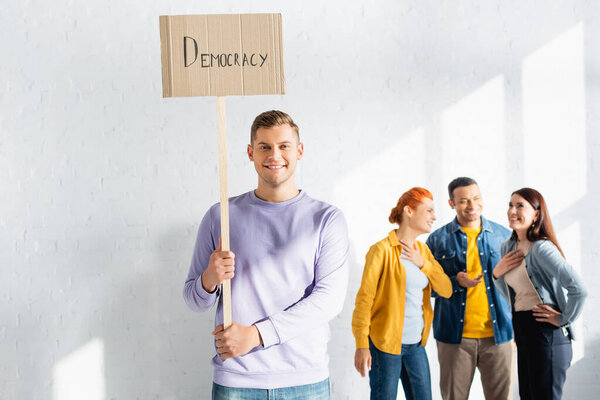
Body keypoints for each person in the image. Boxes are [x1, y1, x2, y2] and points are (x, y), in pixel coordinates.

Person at [183, 110, 350, 399]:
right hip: (237, 380)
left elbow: (328, 300)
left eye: (284, 146)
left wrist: (256, 335)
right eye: (264, 147)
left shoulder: (326, 219)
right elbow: (194, 300)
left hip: (305, 381)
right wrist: (209, 278)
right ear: (251, 153)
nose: (275, 155)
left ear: (299, 151)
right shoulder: (220, 215)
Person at [352, 187, 452, 400]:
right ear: (409, 211)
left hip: (416, 345)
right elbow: (364, 300)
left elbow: (446, 289)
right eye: (429, 210)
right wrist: (361, 344)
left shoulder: (423, 252)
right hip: (385, 345)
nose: (434, 217)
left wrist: (422, 263)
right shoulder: (381, 250)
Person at [493, 187, 587, 400]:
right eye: (510, 205)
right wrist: (496, 275)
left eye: (520, 206)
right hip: (523, 333)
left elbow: (579, 289)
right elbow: (512, 296)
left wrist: (563, 319)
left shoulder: (541, 248)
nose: (512, 210)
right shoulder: (507, 247)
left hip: (547, 335)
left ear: (536, 214)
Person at [426, 177, 515, 400]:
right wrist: (455, 282)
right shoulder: (438, 240)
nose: (472, 205)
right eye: (464, 201)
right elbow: (425, 287)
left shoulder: (504, 236)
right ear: (451, 204)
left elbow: (519, 284)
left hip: (499, 336)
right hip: (454, 339)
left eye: (476, 198)